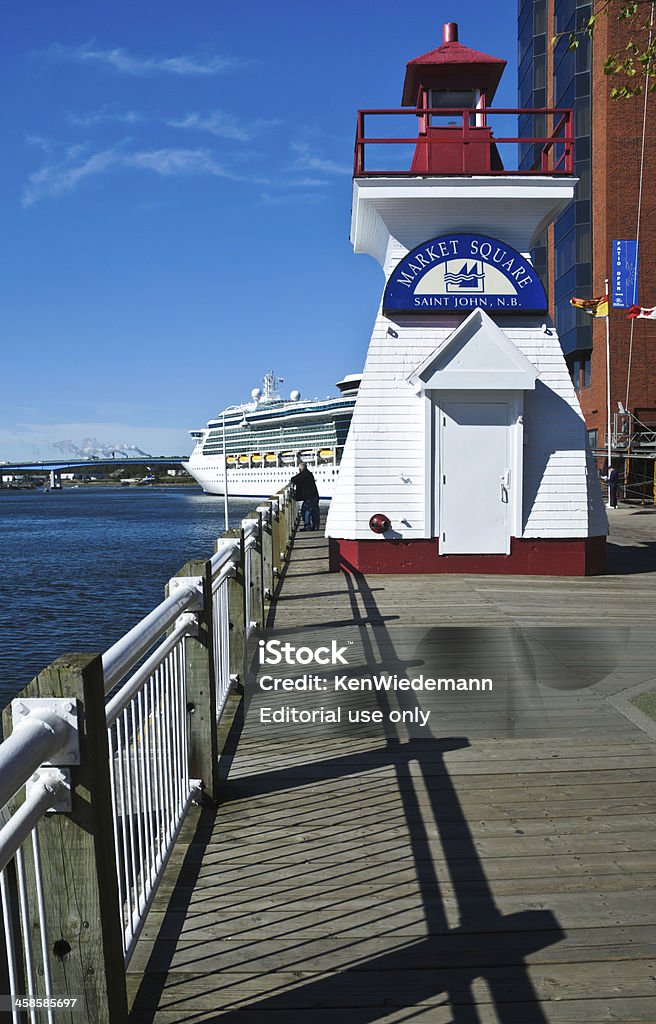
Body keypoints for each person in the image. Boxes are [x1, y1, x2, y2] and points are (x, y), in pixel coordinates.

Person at [290, 461, 320, 530]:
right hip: (314, 496)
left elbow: (294, 479)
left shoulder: (304, 474)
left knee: (305, 511)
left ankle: (307, 526)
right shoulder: (309, 474)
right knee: (314, 512)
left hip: (310, 497)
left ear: (300, 469)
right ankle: (315, 526)